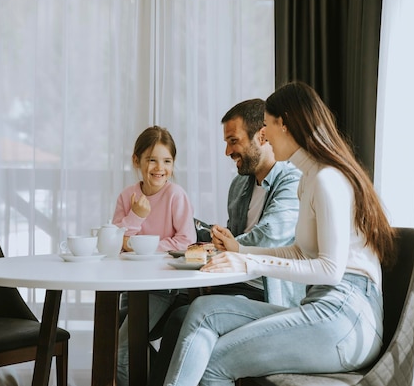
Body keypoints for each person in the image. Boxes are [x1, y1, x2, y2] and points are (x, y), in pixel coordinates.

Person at [162, 81, 398, 386]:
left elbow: (330, 269)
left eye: (267, 125)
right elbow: (300, 252)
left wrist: (250, 264)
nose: (265, 135)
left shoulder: (328, 179)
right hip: (322, 306)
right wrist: (240, 252)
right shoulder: (309, 178)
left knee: (214, 363)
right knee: (205, 310)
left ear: (283, 123)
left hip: (347, 318)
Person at [147, 99, 304, 386]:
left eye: (233, 141)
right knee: (149, 308)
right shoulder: (240, 184)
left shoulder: (292, 181)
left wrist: (220, 243)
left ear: (262, 135)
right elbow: (231, 239)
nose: (227, 151)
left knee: (181, 318)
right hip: (233, 282)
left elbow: (267, 237)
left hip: (266, 291)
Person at [112, 125, 196, 386]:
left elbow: (186, 241)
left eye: (167, 161)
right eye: (152, 160)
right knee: (113, 344)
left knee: (121, 353)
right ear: (136, 160)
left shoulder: (175, 196)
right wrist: (136, 215)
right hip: (129, 288)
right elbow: (115, 242)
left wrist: (138, 246)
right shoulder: (128, 196)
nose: (160, 168)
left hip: (162, 289)